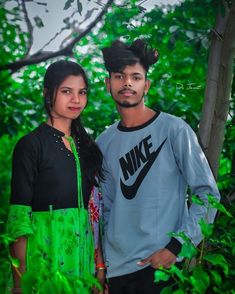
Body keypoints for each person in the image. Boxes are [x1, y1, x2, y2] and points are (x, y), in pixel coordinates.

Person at [96, 39, 221, 293]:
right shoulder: (103, 142)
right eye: (119, 76)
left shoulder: (174, 129)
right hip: (117, 272)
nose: (127, 83)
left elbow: (207, 194)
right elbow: (105, 210)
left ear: (147, 85)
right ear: (108, 84)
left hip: (160, 267)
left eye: (135, 77)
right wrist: (104, 268)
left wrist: (176, 248)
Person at [6, 60, 106, 294]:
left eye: (82, 92)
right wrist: (20, 284)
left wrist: (99, 267)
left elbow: (93, 213)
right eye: (66, 91)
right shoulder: (31, 145)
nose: (76, 100)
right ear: (47, 94)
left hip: (83, 267)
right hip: (43, 263)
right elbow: (19, 221)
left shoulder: (88, 148)